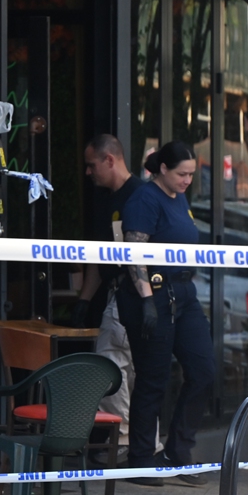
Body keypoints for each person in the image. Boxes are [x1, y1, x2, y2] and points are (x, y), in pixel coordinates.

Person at [117, 140, 215, 486]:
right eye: (181, 174)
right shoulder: (145, 198)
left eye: (190, 174)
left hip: (183, 293)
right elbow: (134, 249)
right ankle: (141, 458)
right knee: (153, 378)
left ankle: (178, 451)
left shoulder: (179, 196)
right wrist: (145, 298)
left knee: (204, 370)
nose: (187, 180)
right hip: (152, 293)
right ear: (162, 169)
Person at [71, 134, 153, 461]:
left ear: (110, 160)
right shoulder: (105, 201)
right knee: (118, 370)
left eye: (92, 165)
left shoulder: (139, 197)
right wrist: (84, 300)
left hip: (132, 297)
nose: (88, 173)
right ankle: (127, 443)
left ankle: (122, 444)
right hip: (114, 296)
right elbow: (97, 256)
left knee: (116, 371)